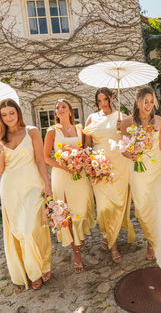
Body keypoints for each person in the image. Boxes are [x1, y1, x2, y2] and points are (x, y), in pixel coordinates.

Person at [119, 86, 161, 297]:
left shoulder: (158, 121)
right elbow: (122, 147)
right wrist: (129, 155)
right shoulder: (127, 122)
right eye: (145, 101)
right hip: (139, 172)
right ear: (137, 101)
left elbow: (159, 146)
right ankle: (151, 241)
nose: (148, 105)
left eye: (151, 101)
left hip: (158, 170)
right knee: (143, 213)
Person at [0, 99, 52, 290]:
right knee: (20, 232)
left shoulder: (32, 131)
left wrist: (48, 185)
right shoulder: (0, 137)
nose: (8, 118)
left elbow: (40, 160)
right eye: (4, 115)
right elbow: (0, 170)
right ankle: (33, 272)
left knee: (32, 229)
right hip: (10, 189)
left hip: (33, 186)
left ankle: (43, 264)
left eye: (11, 113)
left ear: (18, 112)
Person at [83, 87, 135, 263]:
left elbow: (127, 141)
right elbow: (87, 146)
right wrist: (92, 164)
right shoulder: (92, 118)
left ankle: (108, 235)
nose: (103, 103)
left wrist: (124, 128)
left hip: (119, 166)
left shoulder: (122, 116)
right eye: (99, 101)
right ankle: (112, 243)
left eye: (106, 99)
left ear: (112, 98)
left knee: (117, 206)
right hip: (99, 168)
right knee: (104, 208)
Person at [44, 99, 95, 273]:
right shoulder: (52, 131)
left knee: (82, 209)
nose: (59, 109)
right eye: (57, 107)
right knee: (68, 215)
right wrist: (64, 165)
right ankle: (76, 253)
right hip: (61, 175)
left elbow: (85, 151)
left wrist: (81, 162)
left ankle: (79, 236)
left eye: (63, 107)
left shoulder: (80, 129)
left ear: (70, 111)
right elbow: (46, 157)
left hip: (79, 175)